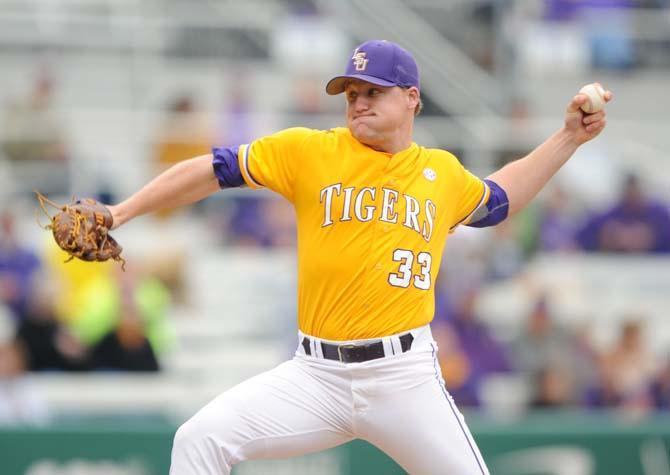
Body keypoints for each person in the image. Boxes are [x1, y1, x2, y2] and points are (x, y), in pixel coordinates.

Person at [106, 40, 612, 474]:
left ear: (411, 99)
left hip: (402, 378)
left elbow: (500, 198)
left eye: (374, 91)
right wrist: (122, 212)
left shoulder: (440, 173)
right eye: (352, 94)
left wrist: (568, 136)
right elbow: (213, 169)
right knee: (198, 439)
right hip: (315, 375)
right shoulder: (311, 151)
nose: (358, 102)